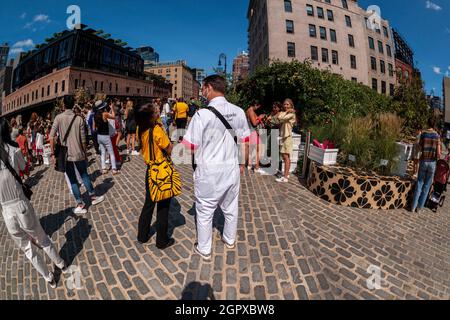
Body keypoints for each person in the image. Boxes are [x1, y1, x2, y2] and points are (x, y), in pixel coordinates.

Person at [183, 75, 251, 261]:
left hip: (210, 170)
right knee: (230, 207)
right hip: (231, 169)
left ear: (209, 87)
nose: (202, 92)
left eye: (203, 88)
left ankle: (204, 249)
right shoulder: (238, 111)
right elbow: (245, 142)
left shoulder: (202, 114)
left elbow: (189, 147)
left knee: (205, 211)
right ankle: (229, 239)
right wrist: (242, 163)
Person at [0, 118, 67, 289]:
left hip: (6, 212)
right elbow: (23, 167)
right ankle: (60, 263)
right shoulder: (13, 149)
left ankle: (48, 277)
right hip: (20, 204)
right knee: (42, 238)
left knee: (27, 249)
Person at [50, 96, 105, 215]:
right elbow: (83, 139)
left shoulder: (58, 118)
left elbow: (51, 136)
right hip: (78, 151)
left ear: (64, 105)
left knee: (73, 180)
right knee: (84, 175)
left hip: (66, 154)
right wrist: (85, 152)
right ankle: (93, 197)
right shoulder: (79, 119)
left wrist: (53, 153)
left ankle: (80, 204)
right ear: (73, 104)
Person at [135, 103, 176, 250]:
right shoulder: (157, 130)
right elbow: (169, 149)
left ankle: (142, 235)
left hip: (150, 170)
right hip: (161, 170)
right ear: (151, 116)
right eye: (156, 110)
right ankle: (161, 241)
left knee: (148, 204)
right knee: (163, 207)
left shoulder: (140, 128)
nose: (158, 110)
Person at [411, 117, 442, 214]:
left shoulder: (424, 134)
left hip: (424, 160)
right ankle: (419, 208)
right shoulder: (437, 136)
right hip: (432, 163)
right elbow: (439, 153)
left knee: (419, 183)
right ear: (434, 124)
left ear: (427, 123)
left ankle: (413, 206)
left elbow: (420, 147)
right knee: (427, 186)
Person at [93, 101, 120, 175]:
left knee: (103, 152)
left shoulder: (95, 115)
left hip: (99, 136)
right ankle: (114, 169)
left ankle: (104, 168)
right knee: (111, 152)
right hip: (106, 136)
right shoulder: (105, 114)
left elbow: (94, 128)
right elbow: (114, 117)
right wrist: (112, 109)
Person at [275, 99, 297, 183]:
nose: (286, 106)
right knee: (287, 157)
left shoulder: (291, 114)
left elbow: (280, 117)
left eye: (287, 104)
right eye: (284, 104)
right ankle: (286, 174)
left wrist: (288, 112)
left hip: (287, 137)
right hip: (285, 137)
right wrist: (287, 112)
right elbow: (279, 117)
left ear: (291, 105)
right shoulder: (288, 113)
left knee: (285, 157)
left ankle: (285, 177)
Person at [245, 101, 265, 174]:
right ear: (256, 105)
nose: (258, 108)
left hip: (250, 132)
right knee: (258, 150)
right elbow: (254, 123)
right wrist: (260, 118)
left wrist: (259, 119)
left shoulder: (249, 110)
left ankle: (249, 165)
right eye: (258, 106)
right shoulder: (251, 111)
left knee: (252, 149)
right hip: (252, 132)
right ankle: (257, 168)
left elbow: (255, 119)